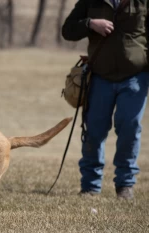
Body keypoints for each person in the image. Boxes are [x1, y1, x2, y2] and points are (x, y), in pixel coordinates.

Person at [62, 0, 148, 199]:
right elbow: (67, 30)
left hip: (136, 75)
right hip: (100, 76)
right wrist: (90, 24)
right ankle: (90, 186)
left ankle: (125, 186)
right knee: (94, 130)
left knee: (130, 127)